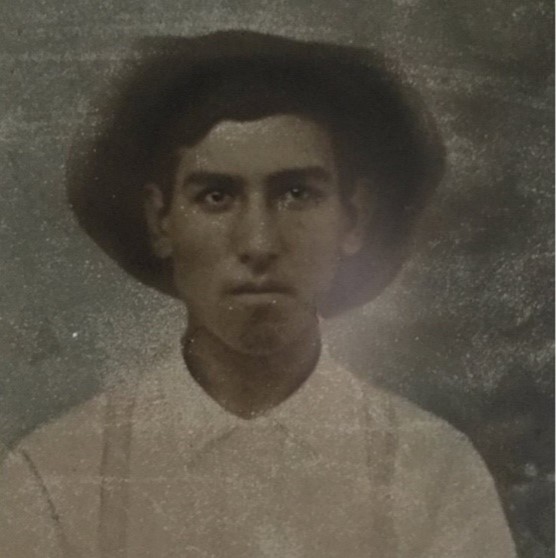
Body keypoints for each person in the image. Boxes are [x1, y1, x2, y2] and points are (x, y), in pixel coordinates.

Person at [0, 31, 516, 557]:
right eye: (217, 196)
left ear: (353, 219)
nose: (259, 243)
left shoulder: (433, 472)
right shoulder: (56, 477)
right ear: (160, 221)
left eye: (296, 193)